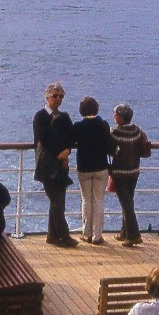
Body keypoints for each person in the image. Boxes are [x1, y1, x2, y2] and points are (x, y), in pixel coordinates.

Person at [33, 82, 78, 248]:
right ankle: (64, 236)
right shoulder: (40, 116)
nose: (58, 99)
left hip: (60, 164)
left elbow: (71, 136)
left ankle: (52, 235)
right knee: (57, 200)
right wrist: (61, 152)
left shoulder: (64, 117)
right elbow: (43, 139)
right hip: (47, 164)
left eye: (61, 96)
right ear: (47, 97)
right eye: (55, 95)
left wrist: (67, 151)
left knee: (58, 200)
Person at [110, 102, 151, 247]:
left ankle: (134, 235)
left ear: (121, 118)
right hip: (134, 171)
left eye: (116, 114)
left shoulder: (115, 133)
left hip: (120, 172)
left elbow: (109, 148)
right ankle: (124, 232)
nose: (114, 116)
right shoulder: (137, 130)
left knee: (126, 204)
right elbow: (144, 140)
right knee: (129, 201)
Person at [72, 96, 111, 245]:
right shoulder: (103, 124)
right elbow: (108, 142)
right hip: (101, 167)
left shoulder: (78, 126)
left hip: (84, 167)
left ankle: (86, 233)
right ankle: (97, 235)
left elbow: (71, 140)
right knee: (99, 200)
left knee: (86, 200)